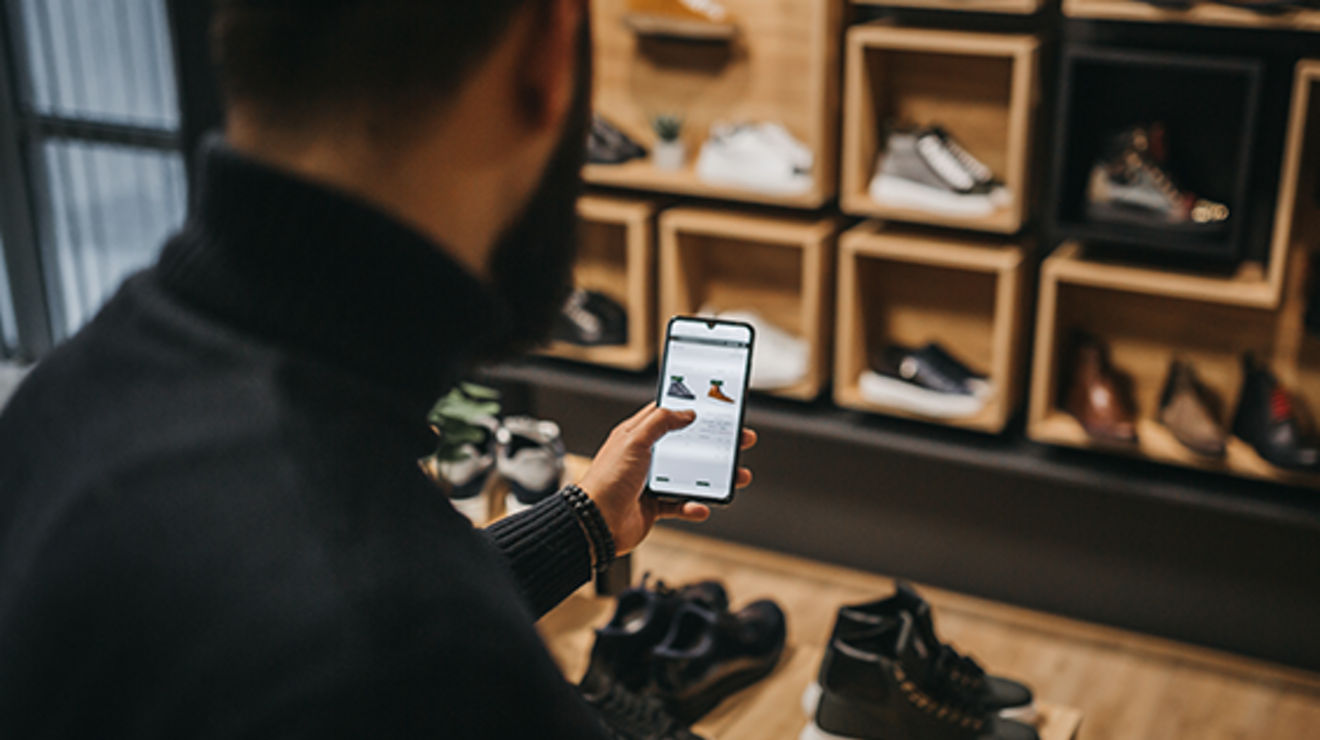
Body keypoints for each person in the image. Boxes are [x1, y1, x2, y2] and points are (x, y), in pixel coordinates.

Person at [0, 0, 756, 736]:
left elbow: (272, 612)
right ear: (550, 50)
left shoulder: (64, 393)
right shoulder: (405, 636)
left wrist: (585, 523)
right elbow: (378, 623)